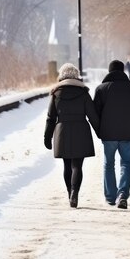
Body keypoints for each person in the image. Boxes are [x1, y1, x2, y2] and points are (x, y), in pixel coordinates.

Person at [44, 63, 100, 208]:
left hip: (62, 131)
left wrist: (47, 137)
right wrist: (100, 131)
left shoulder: (56, 94)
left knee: (67, 165)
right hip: (81, 130)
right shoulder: (83, 93)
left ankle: (70, 193)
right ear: (76, 75)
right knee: (77, 166)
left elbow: (51, 118)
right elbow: (92, 115)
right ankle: (75, 193)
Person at [94, 59, 130, 209]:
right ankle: (122, 195)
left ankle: (111, 197)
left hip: (108, 135)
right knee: (126, 164)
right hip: (128, 134)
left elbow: (94, 114)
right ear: (123, 71)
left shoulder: (101, 89)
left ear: (109, 71)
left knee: (108, 164)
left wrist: (100, 131)